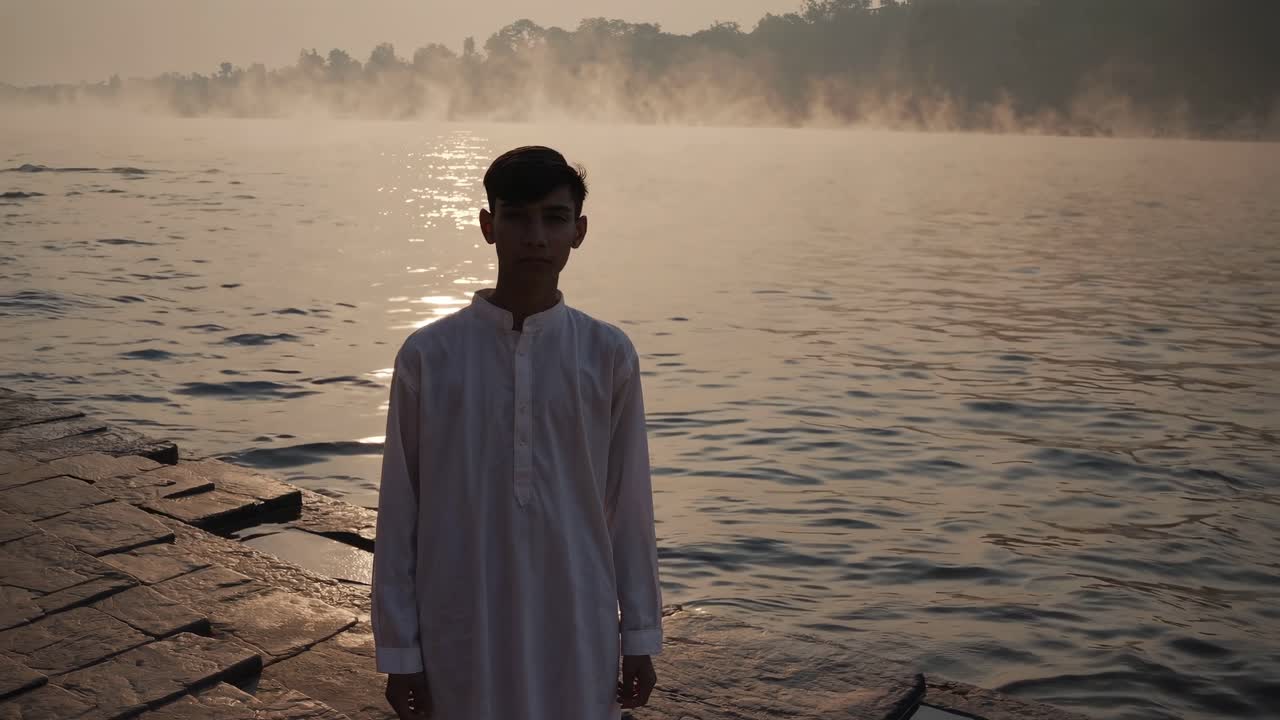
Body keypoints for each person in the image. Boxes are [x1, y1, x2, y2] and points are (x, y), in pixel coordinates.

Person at [371, 146, 664, 720]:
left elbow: (629, 508)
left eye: (554, 219)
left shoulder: (607, 355)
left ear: (578, 232)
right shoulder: (430, 356)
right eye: (517, 216)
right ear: (488, 226)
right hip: (460, 617)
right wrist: (399, 648)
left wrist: (641, 636)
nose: (536, 236)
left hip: (577, 619)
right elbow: (399, 512)